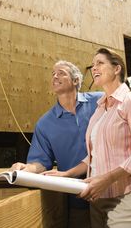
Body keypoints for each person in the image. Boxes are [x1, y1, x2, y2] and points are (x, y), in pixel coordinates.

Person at [44, 48, 131, 228]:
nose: (94, 68)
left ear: (116, 69)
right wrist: (66, 174)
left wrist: (106, 180)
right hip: (97, 201)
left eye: (100, 63)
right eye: (93, 65)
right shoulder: (100, 110)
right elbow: (93, 156)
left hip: (126, 198)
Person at [10, 60, 103, 228]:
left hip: (112, 193)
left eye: (61, 73)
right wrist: (26, 169)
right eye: (53, 73)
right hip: (78, 200)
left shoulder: (100, 101)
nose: (55, 76)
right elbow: (40, 162)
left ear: (75, 81)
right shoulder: (45, 123)